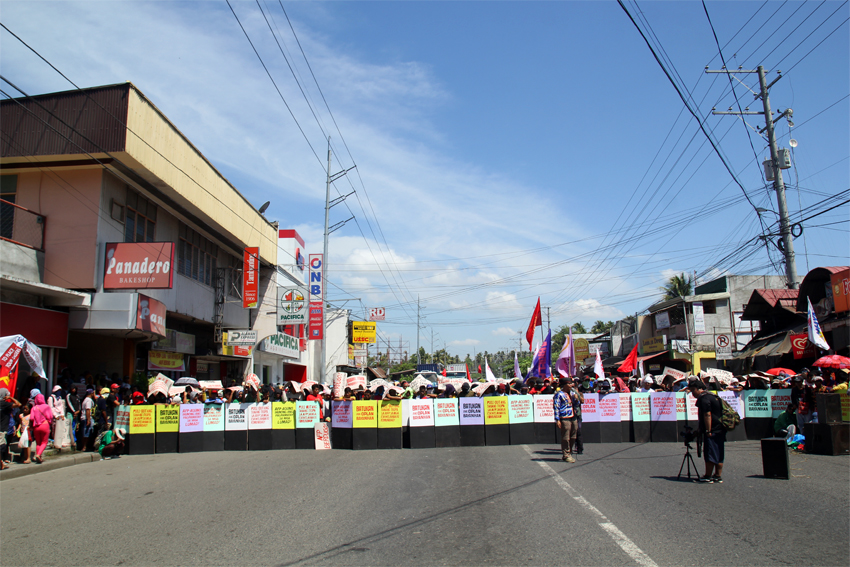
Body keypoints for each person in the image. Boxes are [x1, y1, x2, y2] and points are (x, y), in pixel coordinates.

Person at [688, 380, 725, 484]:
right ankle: (718, 475)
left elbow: (707, 414)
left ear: (699, 389)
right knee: (719, 452)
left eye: (693, 390)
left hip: (712, 429)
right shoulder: (713, 396)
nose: (692, 393)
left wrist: (708, 430)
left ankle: (708, 476)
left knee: (710, 452)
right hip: (720, 428)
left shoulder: (704, 398)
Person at [553, 377, 577, 463]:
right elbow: (556, 407)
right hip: (564, 417)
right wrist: (557, 419)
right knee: (566, 437)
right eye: (569, 384)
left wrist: (577, 398)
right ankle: (566, 454)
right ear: (565, 385)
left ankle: (570, 451)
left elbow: (577, 403)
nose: (571, 385)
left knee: (573, 436)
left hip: (573, 416)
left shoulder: (572, 393)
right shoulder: (559, 394)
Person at [29, 394, 54, 464]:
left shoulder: (34, 408)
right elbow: (50, 416)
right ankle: (38, 455)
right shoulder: (47, 407)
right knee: (44, 442)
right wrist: (50, 422)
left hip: (36, 427)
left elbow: (31, 418)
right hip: (45, 425)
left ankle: (39, 456)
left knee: (38, 443)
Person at [0, 389, 21, 470]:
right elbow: (18, 404)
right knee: (1, 446)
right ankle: (1, 464)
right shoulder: (5, 404)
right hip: (2, 429)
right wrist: (11, 398)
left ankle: (1, 463)